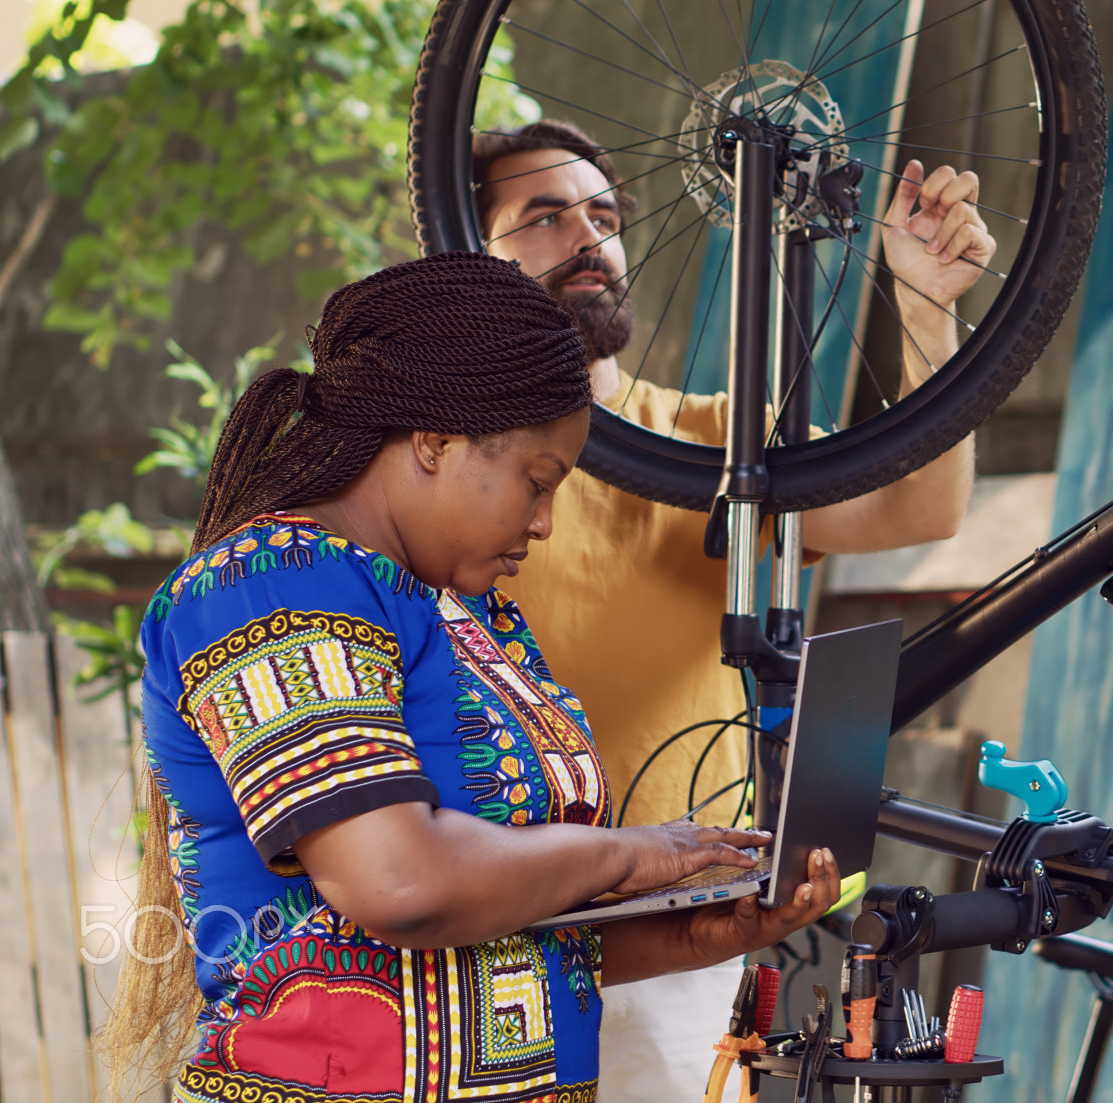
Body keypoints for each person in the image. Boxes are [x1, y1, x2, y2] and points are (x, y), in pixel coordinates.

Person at [103, 252, 840, 1103]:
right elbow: (403, 885)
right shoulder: (271, 584)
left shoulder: (461, 613)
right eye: (537, 482)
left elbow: (507, 925)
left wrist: (703, 932)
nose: (545, 522)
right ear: (435, 441)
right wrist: (632, 852)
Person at [469, 121, 990, 1100]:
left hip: (673, 938)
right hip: (485, 933)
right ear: (463, 245)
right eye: (542, 216)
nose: (588, 236)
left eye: (603, 213)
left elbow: (923, 505)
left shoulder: (714, 441)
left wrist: (923, 310)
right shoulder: (436, 468)